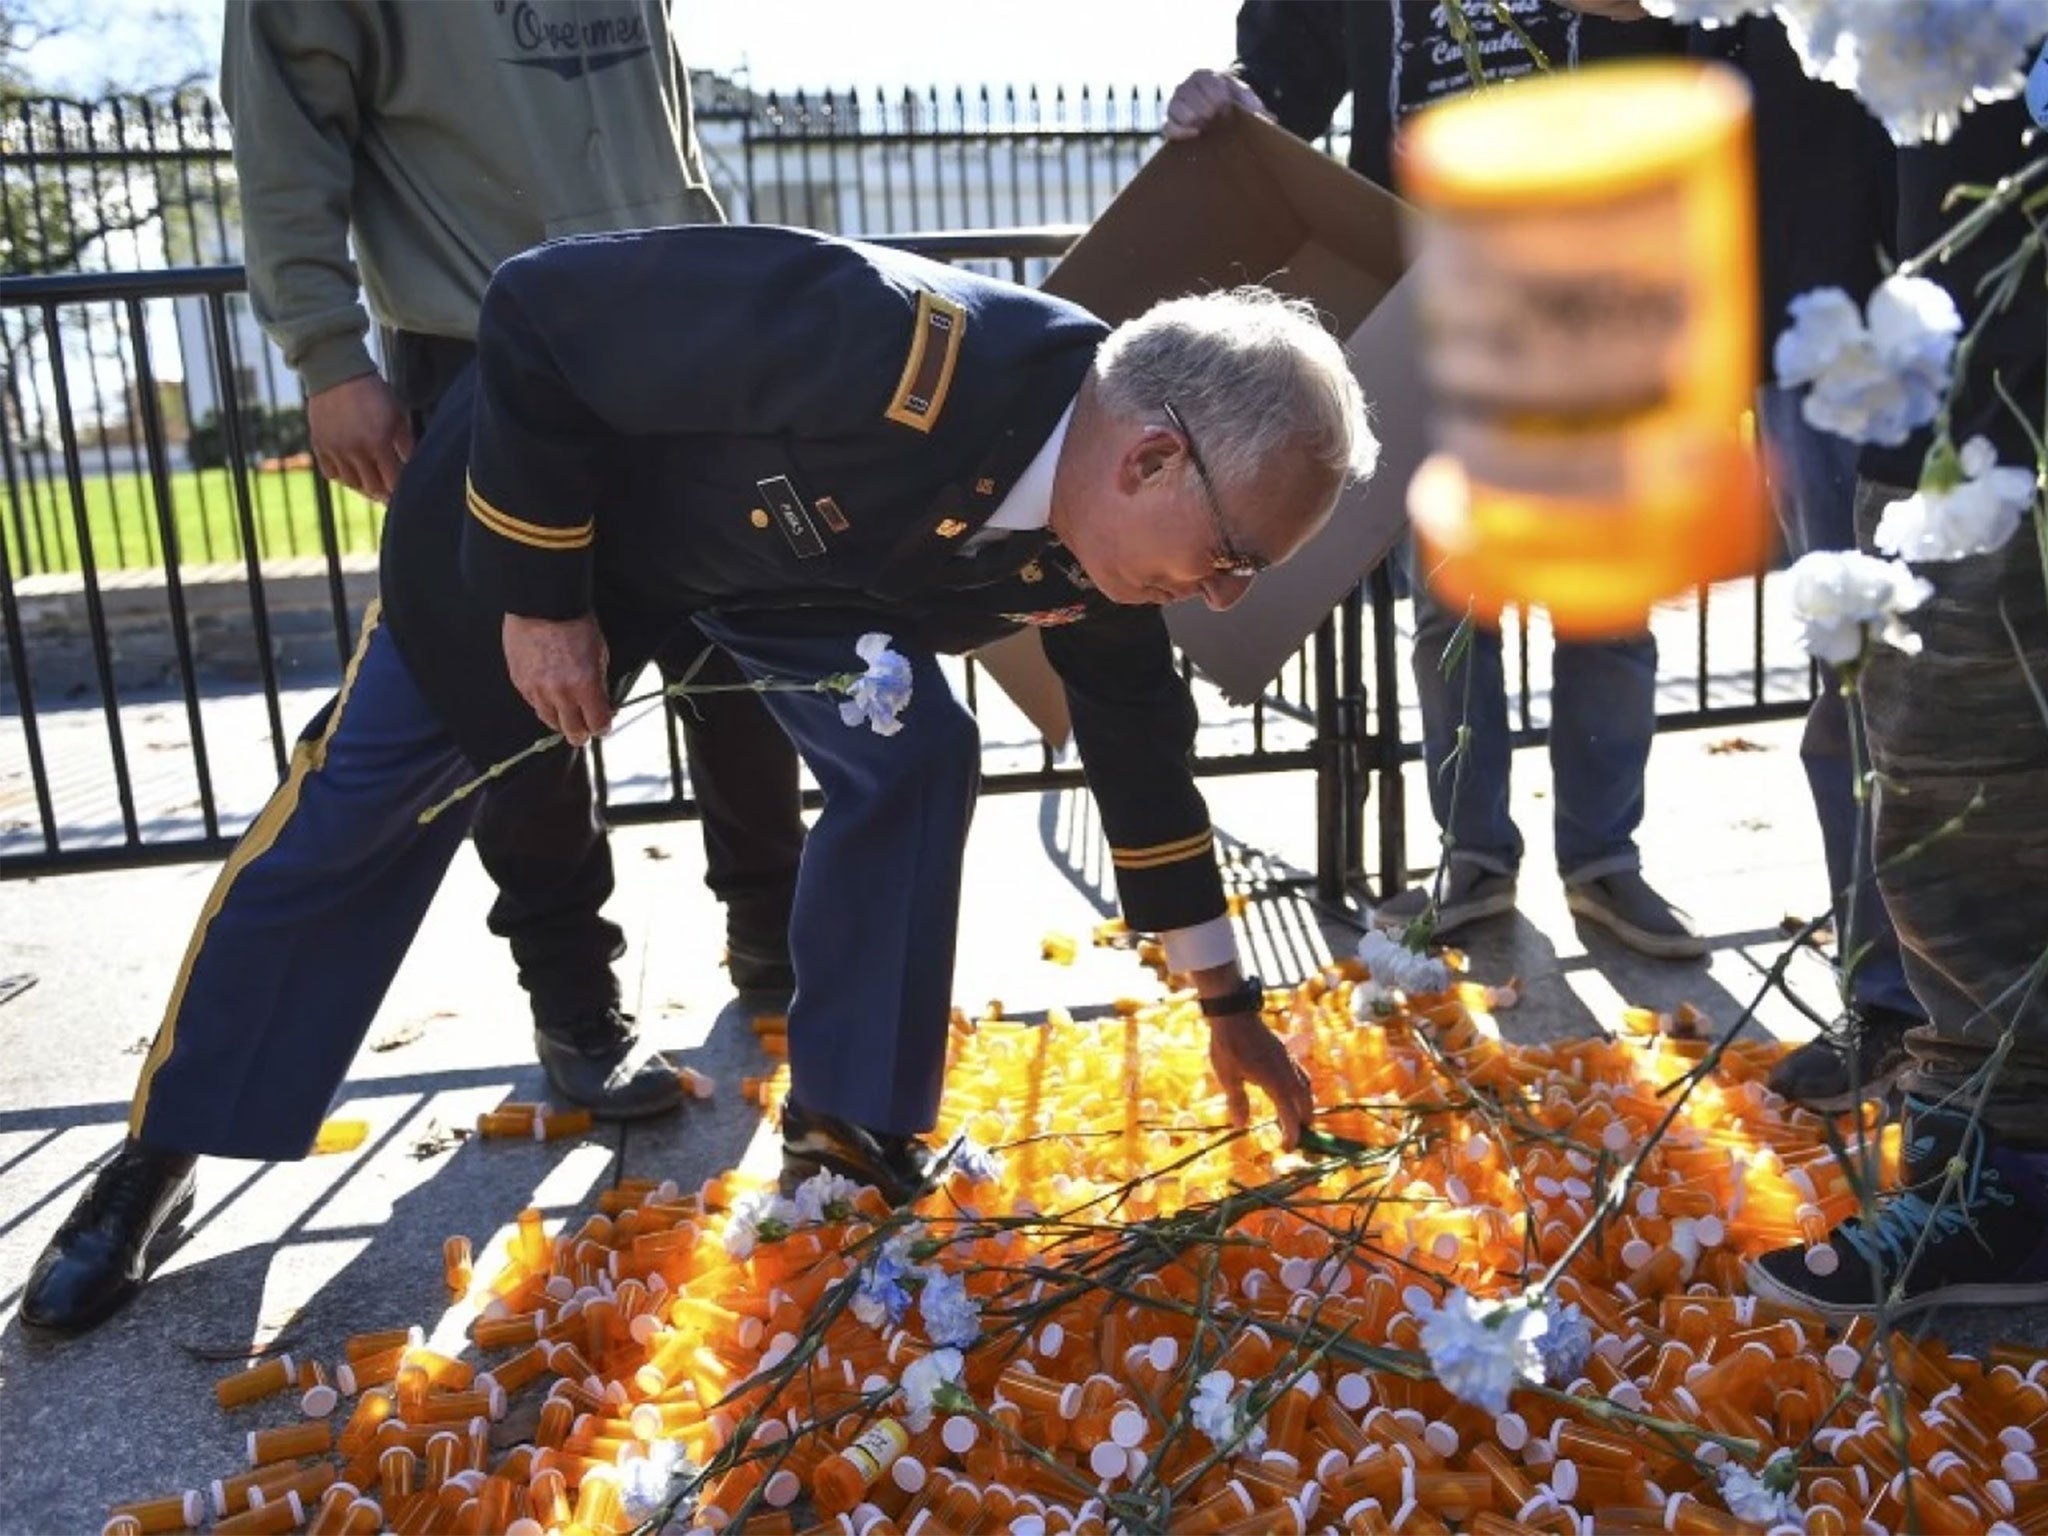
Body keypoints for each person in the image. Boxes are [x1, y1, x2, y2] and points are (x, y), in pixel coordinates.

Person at [19, 225, 1377, 1335]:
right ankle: (162, 1151)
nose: (1218, 595)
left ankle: (849, 1132)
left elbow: (1143, 747)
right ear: (1149, 456)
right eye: (1231, 557)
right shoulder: (886, 338)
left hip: (776, 574)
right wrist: (545, 598)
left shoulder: (1095, 539)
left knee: (919, 748)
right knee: (361, 808)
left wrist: (1227, 998)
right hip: (568, 534)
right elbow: (541, 304)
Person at [220, 0, 807, 1122]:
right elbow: (286, 142)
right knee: (517, 705)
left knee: (739, 667)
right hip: (487, 342)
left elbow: (653, 121)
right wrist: (328, 354)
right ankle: (574, 998)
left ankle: (773, 937)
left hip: (677, 327)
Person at [1168, 0, 1707, 961]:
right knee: (1453, 609)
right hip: (1436, 306)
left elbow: (1707, 49)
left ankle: (1603, 863)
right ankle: (1474, 860)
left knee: (1610, 606)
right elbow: (1287, 60)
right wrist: (1232, 93)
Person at [1748, 91, 2048, 1317]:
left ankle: (2005, 1176)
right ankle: (2001, 1167)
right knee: (1937, 787)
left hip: (1981, 388)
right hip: (1956, 397)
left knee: (1952, 790)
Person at [1699, 14, 1923, 1112]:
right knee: (1851, 691)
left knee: (1890, 690)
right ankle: (1890, 1002)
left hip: (1916, 289)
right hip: (1797, 307)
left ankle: (1928, 1009)